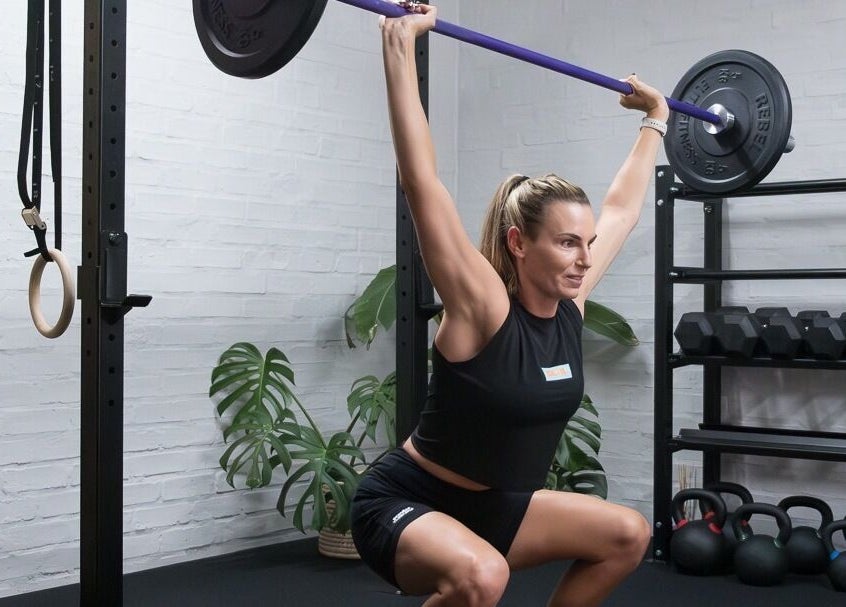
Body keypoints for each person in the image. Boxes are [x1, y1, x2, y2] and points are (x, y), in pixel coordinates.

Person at [351, 3, 670, 606]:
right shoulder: (482, 307)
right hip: (409, 502)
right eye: (567, 242)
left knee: (627, 534)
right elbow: (423, 184)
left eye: (587, 244)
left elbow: (623, 208)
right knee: (482, 577)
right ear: (520, 244)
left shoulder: (569, 303)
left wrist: (655, 119)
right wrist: (400, 49)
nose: (583, 257)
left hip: (500, 510)